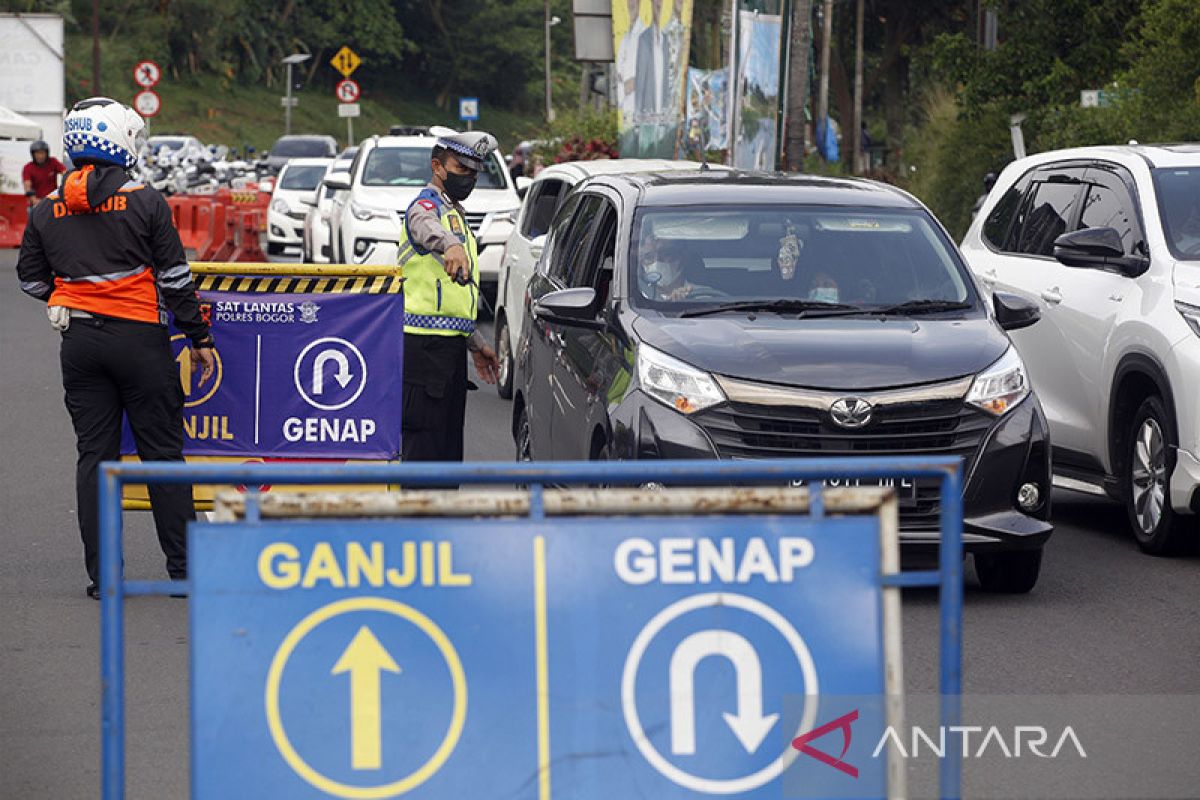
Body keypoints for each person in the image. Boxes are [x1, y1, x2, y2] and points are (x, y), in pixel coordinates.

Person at [16, 98, 215, 599]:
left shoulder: (45, 209)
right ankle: (184, 572)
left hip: (80, 344)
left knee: (96, 460)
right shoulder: (146, 201)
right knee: (163, 457)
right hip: (140, 344)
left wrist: (72, 296)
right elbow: (174, 280)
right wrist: (198, 338)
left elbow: (30, 281)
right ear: (120, 141)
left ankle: (104, 577)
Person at [395, 126, 501, 462]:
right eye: (460, 170)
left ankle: (444, 513)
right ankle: (417, 514)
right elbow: (423, 224)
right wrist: (451, 243)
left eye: (473, 173)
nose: (468, 178)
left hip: (449, 348)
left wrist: (475, 343)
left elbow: (454, 296)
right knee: (423, 449)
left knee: (447, 450)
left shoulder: (455, 212)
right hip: (422, 349)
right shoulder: (426, 206)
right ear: (437, 167)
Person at [22, 140, 65, 206]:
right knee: (32, 212)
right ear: (33, 154)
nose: (40, 156)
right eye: (37, 153)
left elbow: (65, 173)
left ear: (47, 153)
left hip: (52, 201)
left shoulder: (53, 162)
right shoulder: (28, 167)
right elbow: (27, 186)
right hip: (37, 201)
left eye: (42, 153)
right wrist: (34, 200)